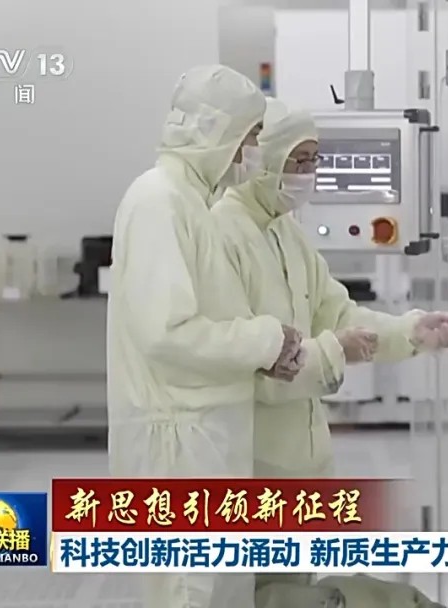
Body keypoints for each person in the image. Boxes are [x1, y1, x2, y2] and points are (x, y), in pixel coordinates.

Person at [209, 103, 448, 607]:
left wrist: (411, 331)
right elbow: (243, 366)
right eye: (298, 160)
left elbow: (337, 313)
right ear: (265, 157)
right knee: (262, 595)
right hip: (252, 463)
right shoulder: (222, 233)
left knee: (292, 587)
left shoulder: (285, 231)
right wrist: (332, 352)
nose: (308, 173)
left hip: (300, 463)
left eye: (314, 160)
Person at [106, 65, 304, 608]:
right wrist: (266, 341)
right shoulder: (159, 200)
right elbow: (168, 334)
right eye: (251, 137)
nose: (254, 151)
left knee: (218, 590)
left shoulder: (192, 202)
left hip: (204, 439)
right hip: (178, 450)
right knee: (189, 592)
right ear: (219, 132)